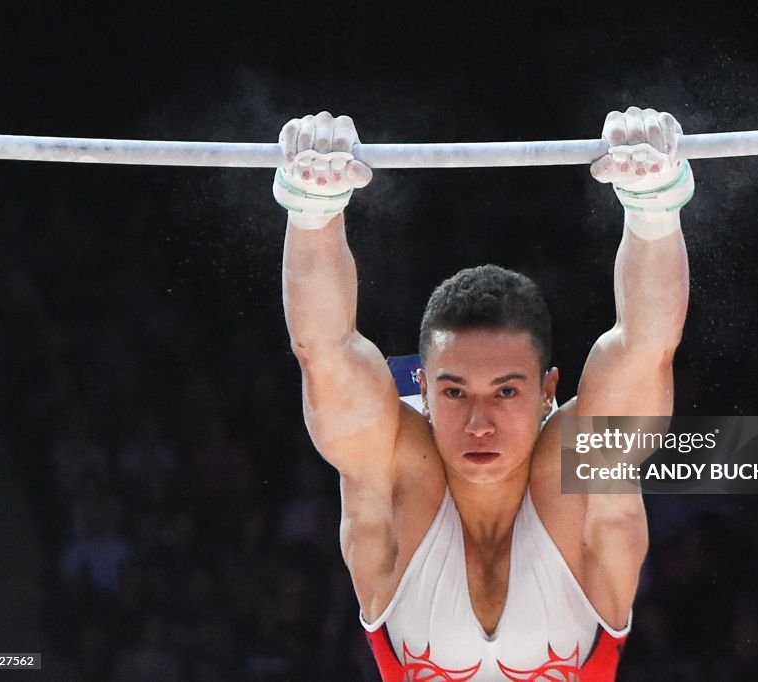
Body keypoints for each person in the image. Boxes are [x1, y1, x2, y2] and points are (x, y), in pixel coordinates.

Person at [274, 107, 692, 680]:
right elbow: (322, 352)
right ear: (422, 387)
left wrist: (655, 205)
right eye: (454, 393)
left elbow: (648, 349)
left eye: (505, 392)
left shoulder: (577, 476)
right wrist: (312, 209)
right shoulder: (399, 471)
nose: (479, 423)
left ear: (549, 390)